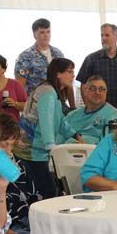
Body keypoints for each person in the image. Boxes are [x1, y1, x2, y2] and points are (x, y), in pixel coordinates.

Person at [17, 57, 76, 198]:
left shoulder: (52, 92)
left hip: (35, 150)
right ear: (58, 74)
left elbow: (59, 120)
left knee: (49, 191)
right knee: (48, 192)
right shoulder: (48, 92)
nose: (73, 75)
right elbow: (46, 121)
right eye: (69, 71)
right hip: (31, 152)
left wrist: (76, 135)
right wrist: (51, 148)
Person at [77, 23, 117, 112]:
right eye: (102, 35)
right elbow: (83, 85)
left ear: (116, 37)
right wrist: (89, 108)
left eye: (107, 35)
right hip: (99, 112)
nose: (103, 38)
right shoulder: (91, 59)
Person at [14, 18, 68, 102]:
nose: (46, 35)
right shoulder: (25, 57)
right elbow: (20, 86)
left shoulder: (58, 54)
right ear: (34, 35)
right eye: (42, 32)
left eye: (48, 31)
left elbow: (65, 80)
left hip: (56, 101)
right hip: (35, 104)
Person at [65, 75, 117, 144]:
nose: (97, 92)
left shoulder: (113, 115)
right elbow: (58, 140)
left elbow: (111, 145)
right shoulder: (72, 116)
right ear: (85, 91)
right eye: (92, 88)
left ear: (106, 92)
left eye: (101, 89)